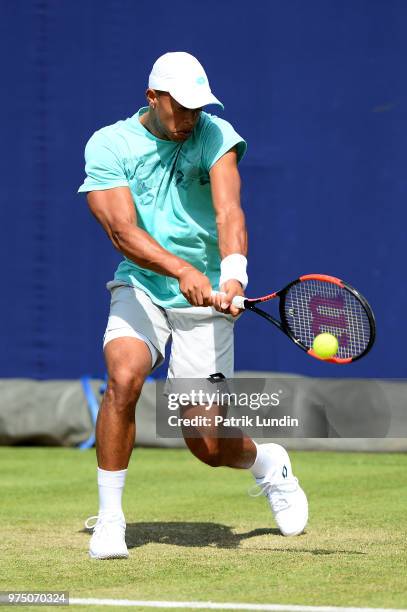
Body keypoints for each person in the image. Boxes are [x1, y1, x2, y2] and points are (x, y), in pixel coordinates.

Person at [78, 52, 308, 560]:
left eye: (197, 107)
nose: (189, 118)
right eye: (180, 107)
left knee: (207, 445)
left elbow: (229, 211)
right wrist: (181, 270)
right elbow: (121, 231)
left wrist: (232, 274)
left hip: (205, 297)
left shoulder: (214, 134)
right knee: (124, 377)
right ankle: (111, 521)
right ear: (152, 98)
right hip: (140, 286)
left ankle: (269, 463)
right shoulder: (110, 144)